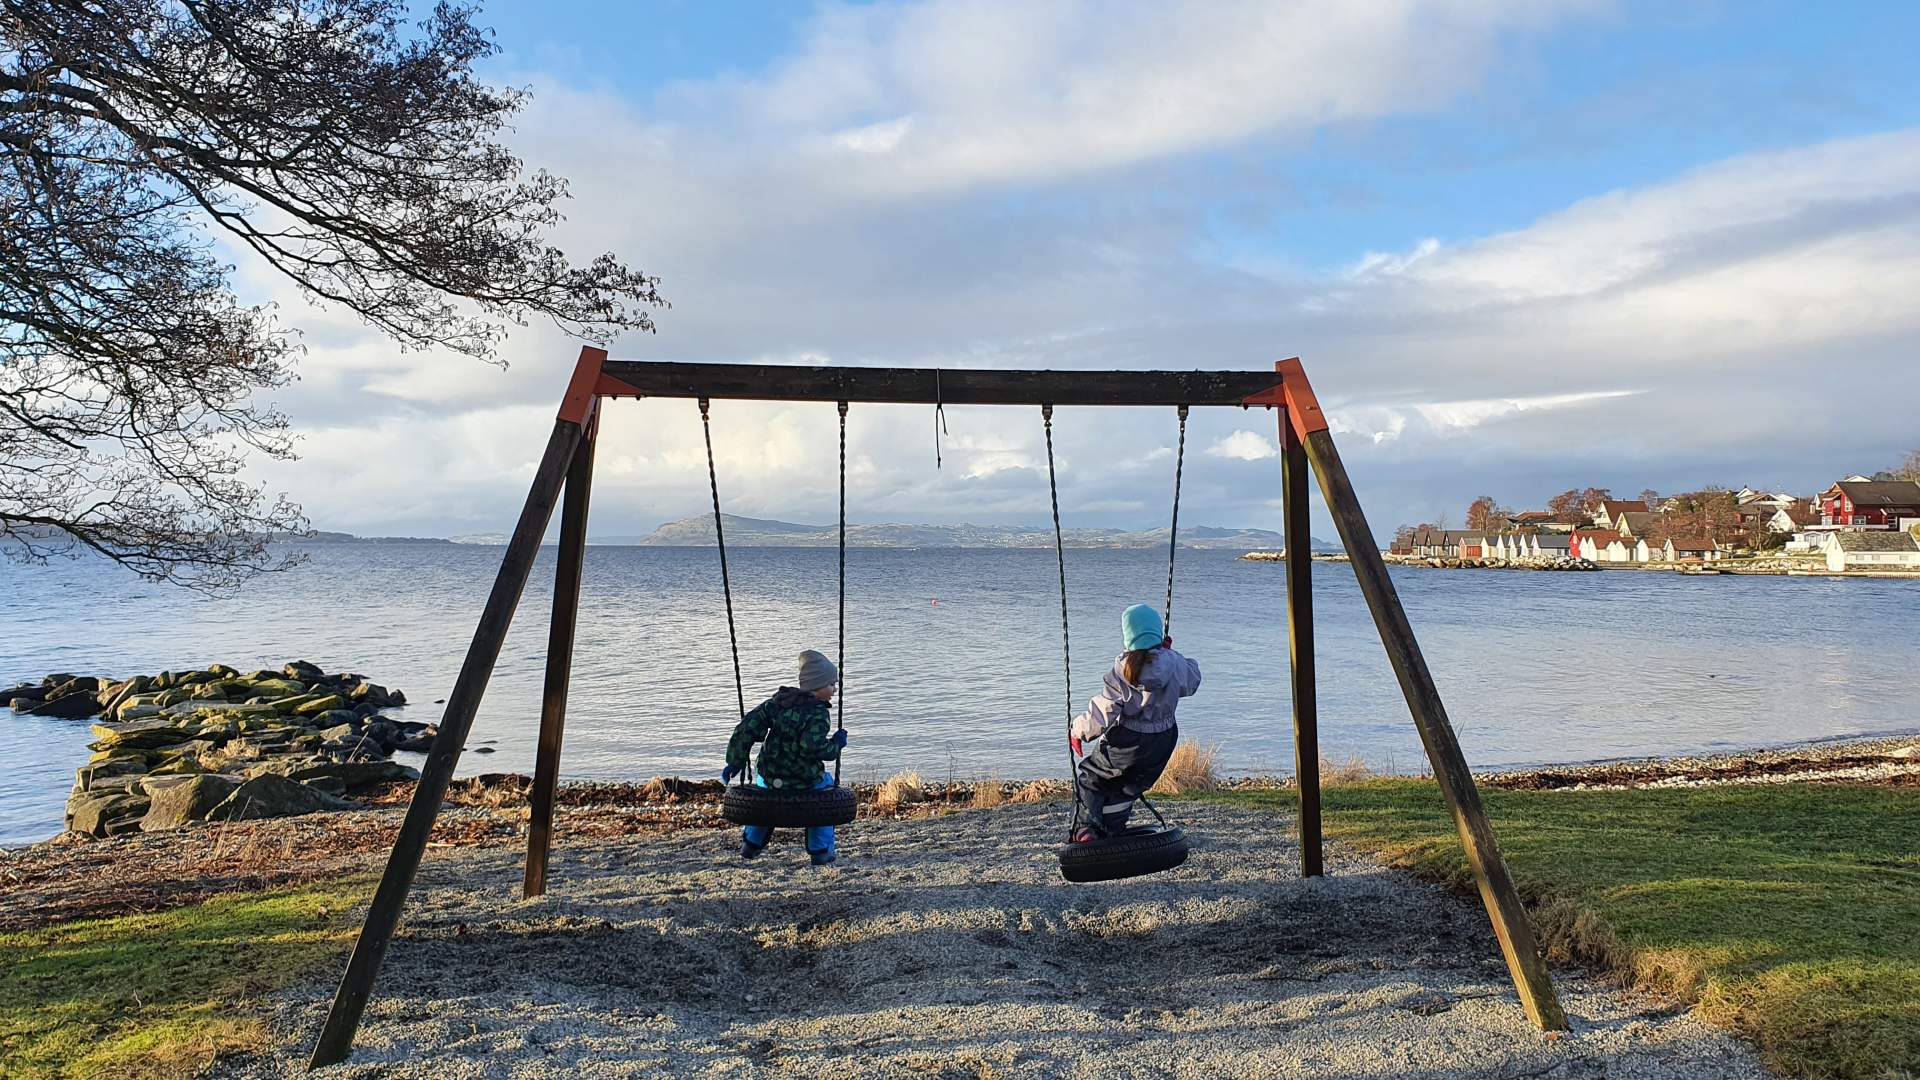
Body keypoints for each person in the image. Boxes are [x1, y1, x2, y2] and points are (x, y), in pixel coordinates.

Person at [1068, 604, 1200, 842]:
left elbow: (1104, 710)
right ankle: (1111, 828)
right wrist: (1172, 654)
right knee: (1129, 786)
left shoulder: (1123, 669)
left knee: (1092, 776)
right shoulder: (1174, 662)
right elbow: (1192, 681)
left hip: (1128, 739)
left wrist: (1078, 731)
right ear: (1158, 634)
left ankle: (1086, 829)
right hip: (1164, 739)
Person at [722, 649, 848, 865]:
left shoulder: (779, 703)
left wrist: (735, 760)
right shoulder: (818, 713)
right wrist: (836, 745)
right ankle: (821, 850)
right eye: (831, 685)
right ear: (817, 686)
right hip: (804, 782)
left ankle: (750, 844)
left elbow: (747, 727)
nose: (834, 690)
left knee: (761, 801)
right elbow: (813, 748)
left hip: (770, 777)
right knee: (826, 797)